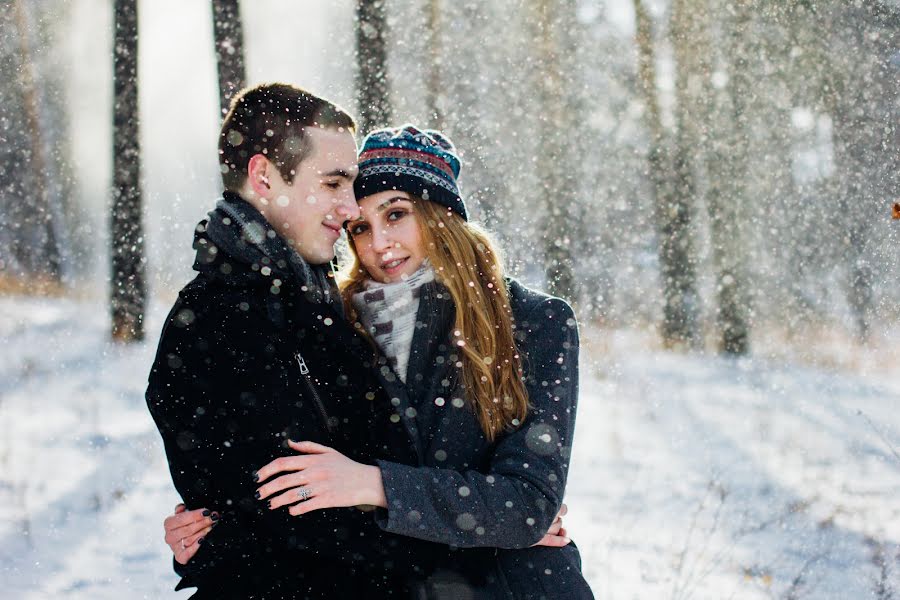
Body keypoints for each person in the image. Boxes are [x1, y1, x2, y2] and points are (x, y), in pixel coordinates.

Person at [163, 124, 594, 598]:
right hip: (396, 584)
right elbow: (297, 472)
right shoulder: (339, 323)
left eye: (396, 214)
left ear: (441, 215)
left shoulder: (534, 322)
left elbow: (527, 505)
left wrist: (376, 485)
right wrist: (216, 533)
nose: (379, 244)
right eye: (360, 228)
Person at [146, 84, 448, 598]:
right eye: (333, 183)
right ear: (264, 176)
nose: (351, 208)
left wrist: (493, 515)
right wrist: (482, 537)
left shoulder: (318, 298)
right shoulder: (217, 321)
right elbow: (297, 529)